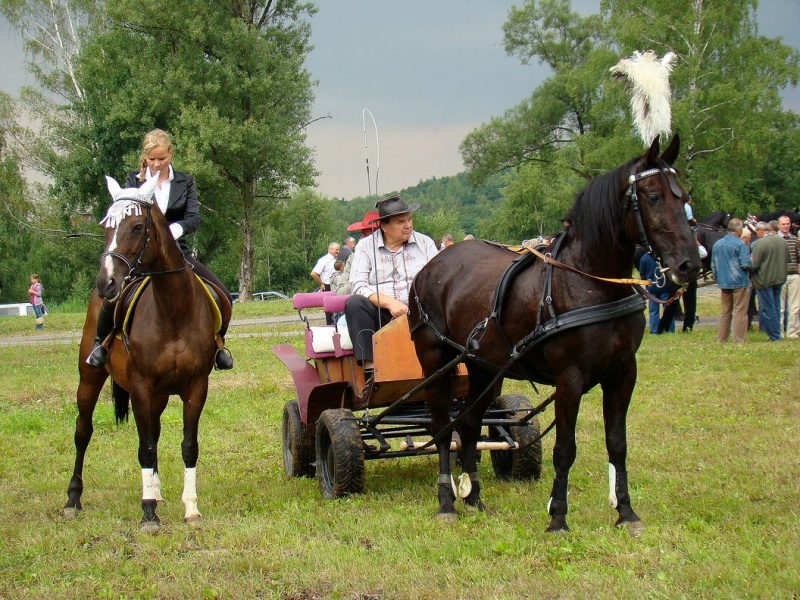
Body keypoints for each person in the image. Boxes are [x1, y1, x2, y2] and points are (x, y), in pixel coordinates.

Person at [87, 128, 234, 370]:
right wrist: (144, 184)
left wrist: (176, 229)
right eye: (151, 159)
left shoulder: (185, 181)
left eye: (161, 159)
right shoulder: (132, 180)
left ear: (170, 155)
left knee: (223, 295)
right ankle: (100, 345)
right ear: (144, 157)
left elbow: (194, 217)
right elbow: (124, 217)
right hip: (140, 258)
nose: (156, 164)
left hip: (178, 254)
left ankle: (218, 347)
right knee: (113, 299)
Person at [345, 196, 438, 388]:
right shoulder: (365, 246)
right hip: (382, 315)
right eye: (400, 222)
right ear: (384, 226)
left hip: (422, 314)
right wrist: (390, 303)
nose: (408, 226)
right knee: (354, 303)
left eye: (410, 219)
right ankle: (371, 371)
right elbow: (359, 284)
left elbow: (439, 280)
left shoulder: (425, 243)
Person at [711, 218, 753, 343]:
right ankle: (739, 339)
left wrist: (718, 278)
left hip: (724, 282)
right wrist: (752, 263)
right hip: (739, 281)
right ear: (739, 230)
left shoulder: (717, 244)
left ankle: (722, 338)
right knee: (740, 311)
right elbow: (745, 264)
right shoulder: (740, 244)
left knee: (725, 312)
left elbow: (713, 265)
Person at [750, 221, 789, 341]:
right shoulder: (782, 241)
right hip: (780, 278)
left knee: (768, 308)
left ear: (761, 231)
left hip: (764, 280)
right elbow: (789, 258)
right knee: (777, 307)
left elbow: (754, 264)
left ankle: (774, 336)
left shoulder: (760, 243)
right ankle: (778, 332)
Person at [335, 210, 380, 296]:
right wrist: (360, 283)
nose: (361, 238)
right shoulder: (353, 258)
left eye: (366, 235)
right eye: (362, 234)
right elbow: (340, 292)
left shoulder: (397, 256)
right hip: (363, 305)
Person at [777, 215, 800, 338]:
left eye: (788, 224)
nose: (786, 226)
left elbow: (798, 257)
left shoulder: (795, 239)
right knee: (780, 307)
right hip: (780, 276)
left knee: (795, 306)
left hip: (794, 275)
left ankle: (792, 333)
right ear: (779, 225)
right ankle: (779, 332)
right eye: (783, 224)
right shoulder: (775, 239)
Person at [311, 241, 340, 324]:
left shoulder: (337, 260)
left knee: (337, 307)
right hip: (327, 286)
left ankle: (337, 324)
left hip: (336, 285)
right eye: (336, 250)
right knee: (329, 309)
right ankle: (329, 325)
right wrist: (321, 283)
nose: (338, 251)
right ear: (330, 249)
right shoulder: (324, 260)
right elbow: (314, 273)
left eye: (338, 250)